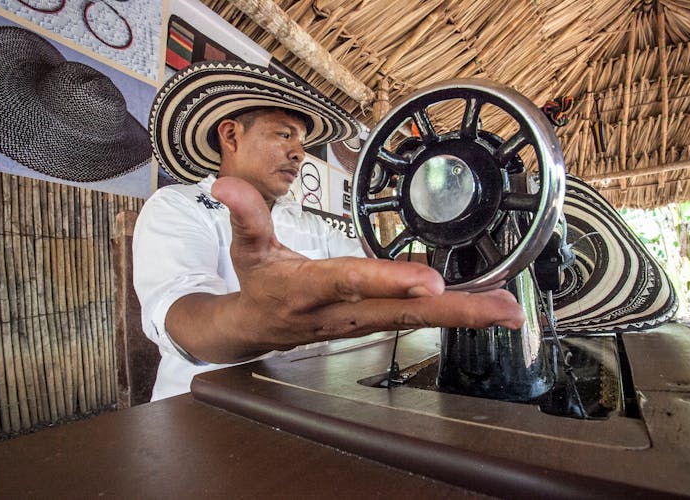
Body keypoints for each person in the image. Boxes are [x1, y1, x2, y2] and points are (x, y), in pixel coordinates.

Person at [134, 61, 525, 401]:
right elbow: (183, 319)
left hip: (292, 402)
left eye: (302, 143)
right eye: (284, 135)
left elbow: (375, 271)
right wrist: (258, 320)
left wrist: (470, 253)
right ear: (231, 135)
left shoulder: (308, 224)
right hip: (196, 410)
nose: (299, 153)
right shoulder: (177, 207)